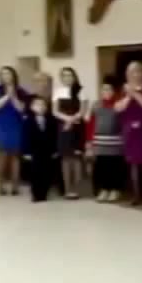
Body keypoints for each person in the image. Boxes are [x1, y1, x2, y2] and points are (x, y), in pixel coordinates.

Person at [115, 61, 142, 206]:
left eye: (137, 71)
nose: (134, 74)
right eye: (131, 72)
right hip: (129, 132)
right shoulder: (124, 90)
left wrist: (134, 93)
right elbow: (118, 108)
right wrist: (128, 95)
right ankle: (136, 195)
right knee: (133, 164)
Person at [0, 66, 28, 196]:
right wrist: (7, 96)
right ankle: (0, 185)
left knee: (15, 156)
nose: (5, 76)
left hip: (16, 126)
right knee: (2, 156)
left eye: (8, 73)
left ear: (13, 76)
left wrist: (13, 96)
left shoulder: (21, 91)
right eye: (3, 74)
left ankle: (15, 186)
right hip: (1, 126)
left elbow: (22, 109)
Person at [88, 76, 125, 203]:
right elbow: (91, 124)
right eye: (104, 89)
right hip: (100, 142)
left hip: (115, 142)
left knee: (114, 166)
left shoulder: (118, 105)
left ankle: (115, 189)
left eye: (109, 89)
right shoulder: (96, 105)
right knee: (102, 167)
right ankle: (104, 189)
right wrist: (89, 142)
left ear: (114, 91)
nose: (106, 92)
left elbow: (123, 123)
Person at [53, 67, 87, 200]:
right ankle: (67, 189)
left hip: (77, 127)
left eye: (70, 75)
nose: (68, 78)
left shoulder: (81, 91)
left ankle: (76, 189)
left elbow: (82, 111)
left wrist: (71, 120)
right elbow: (55, 111)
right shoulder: (58, 92)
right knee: (65, 159)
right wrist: (67, 120)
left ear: (74, 77)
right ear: (61, 78)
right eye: (65, 75)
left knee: (76, 158)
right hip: (63, 127)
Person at [23, 96, 58, 202]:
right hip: (34, 150)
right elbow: (25, 137)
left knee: (46, 172)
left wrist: (55, 150)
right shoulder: (28, 120)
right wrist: (26, 152)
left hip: (47, 150)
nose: (41, 107)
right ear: (32, 107)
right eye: (37, 104)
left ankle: (44, 193)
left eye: (43, 104)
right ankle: (35, 193)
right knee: (35, 173)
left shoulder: (51, 120)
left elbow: (54, 136)